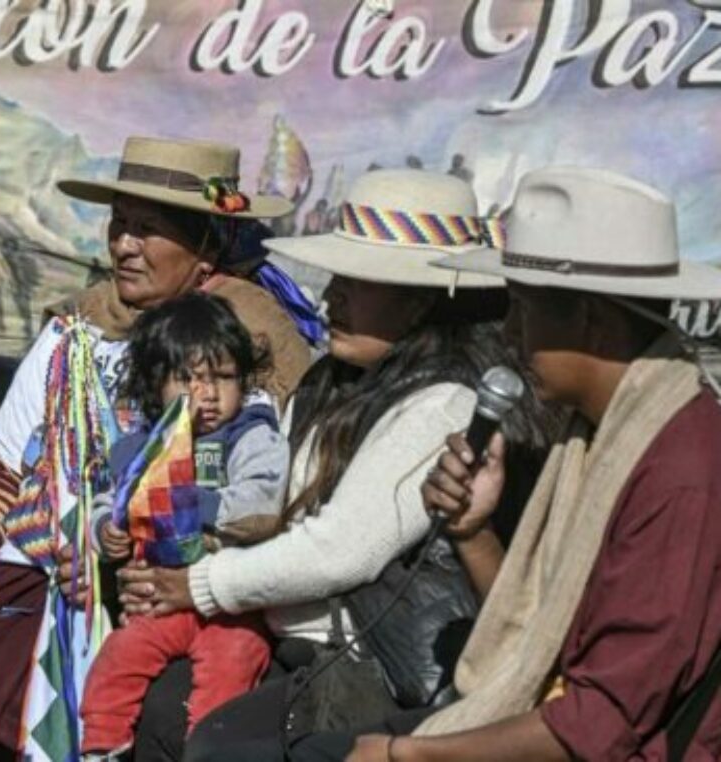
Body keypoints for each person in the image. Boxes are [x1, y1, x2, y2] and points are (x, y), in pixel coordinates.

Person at [117, 169, 552, 761]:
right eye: (338, 278)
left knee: (219, 744)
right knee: (161, 707)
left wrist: (192, 585)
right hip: (300, 647)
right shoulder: (333, 384)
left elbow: (340, 549)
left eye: (359, 282)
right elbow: (279, 506)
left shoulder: (444, 404)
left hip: (381, 673)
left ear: (422, 299)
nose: (331, 297)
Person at [313, 168, 721, 761]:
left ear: (591, 322)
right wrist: (473, 533)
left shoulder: (681, 468)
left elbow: (600, 724)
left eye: (523, 311)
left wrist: (410, 757)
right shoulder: (598, 434)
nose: (507, 334)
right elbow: (538, 634)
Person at [0, 136, 315, 759]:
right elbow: (3, 452)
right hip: (41, 568)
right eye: (119, 225)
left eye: (148, 229)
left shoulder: (249, 342)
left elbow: (272, 492)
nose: (123, 245)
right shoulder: (79, 329)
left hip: (179, 589)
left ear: (206, 247)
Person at [81, 292, 289, 757]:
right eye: (189, 379)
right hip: (159, 604)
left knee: (233, 660)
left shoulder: (251, 436)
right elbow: (109, 501)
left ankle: (205, 749)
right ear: (157, 385)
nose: (208, 395)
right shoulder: (142, 448)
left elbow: (262, 498)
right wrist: (105, 530)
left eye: (224, 378)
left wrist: (183, 500)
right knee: (119, 657)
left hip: (230, 604)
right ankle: (102, 746)